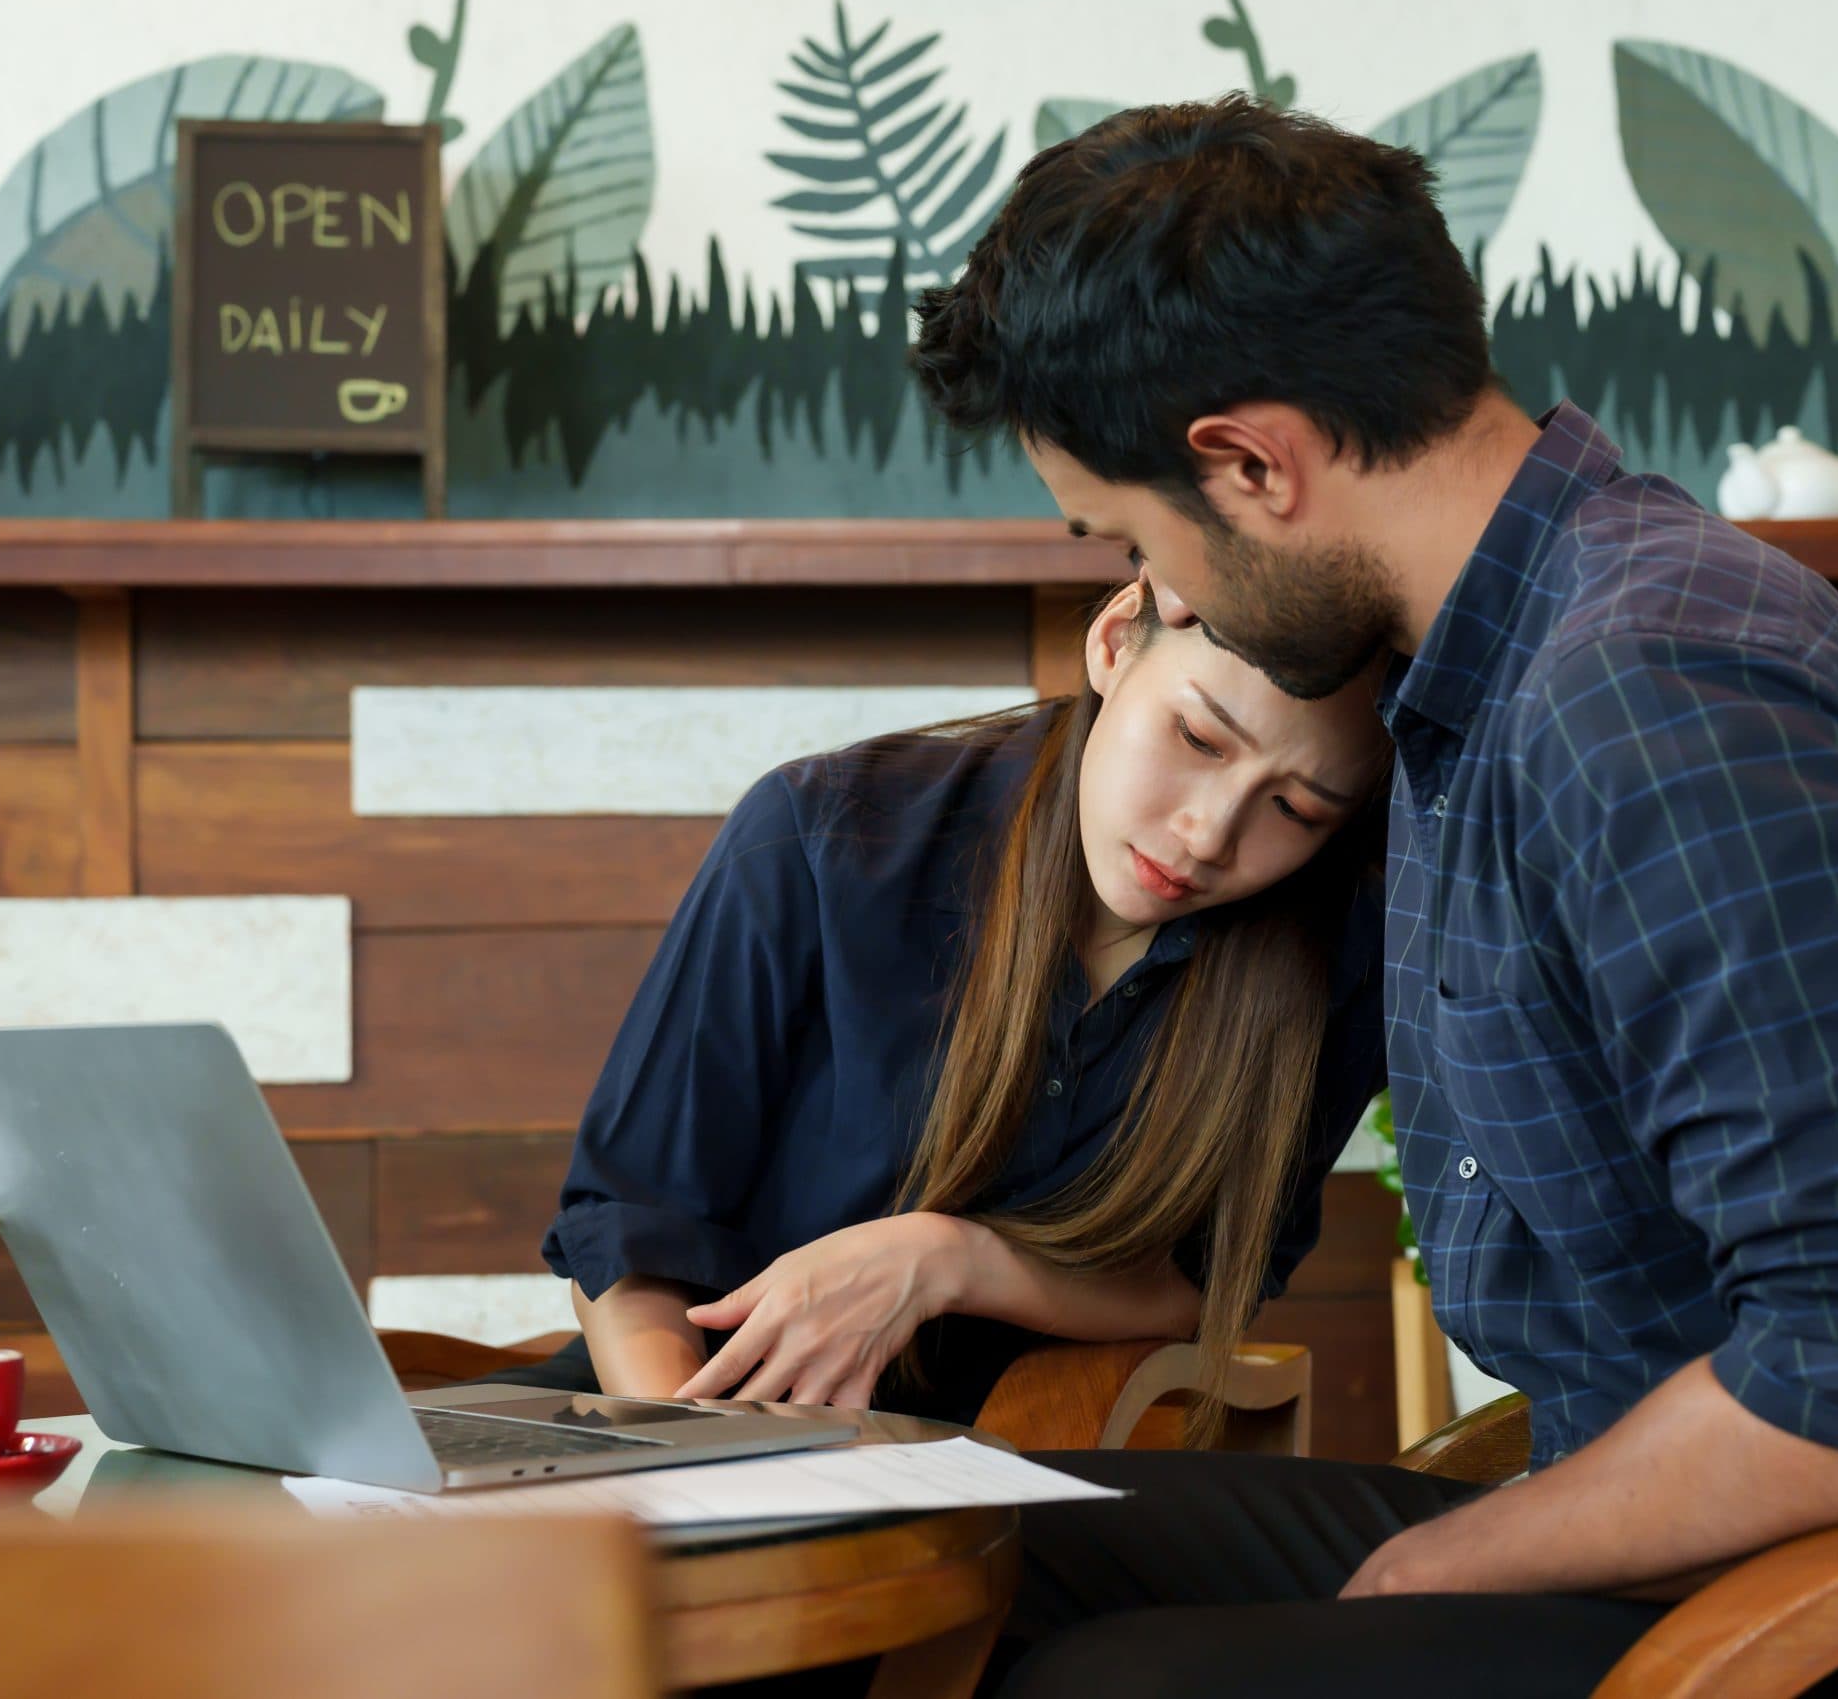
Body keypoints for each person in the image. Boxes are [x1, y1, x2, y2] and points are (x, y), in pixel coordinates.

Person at [909, 95, 1838, 1697]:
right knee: (965, 1546)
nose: (1164, 598)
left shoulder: (1656, 692)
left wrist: (1445, 1556)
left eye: (1137, 537)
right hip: (1692, 1528)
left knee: (1120, 1684)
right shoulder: (1488, 670)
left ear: (1251, 461)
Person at [502, 580, 1388, 1430]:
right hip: (692, 1419)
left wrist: (950, 1260)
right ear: (1117, 641)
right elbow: (631, 1227)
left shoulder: (1334, 957)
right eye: (1198, 738)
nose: (1208, 833)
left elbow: (1210, 1279)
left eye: (1294, 807)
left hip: (1019, 1463)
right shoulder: (825, 833)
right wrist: (704, 1469)